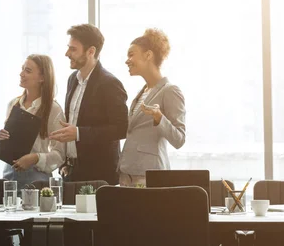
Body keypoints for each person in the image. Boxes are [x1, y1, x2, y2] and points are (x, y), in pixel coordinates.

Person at [49, 24, 128, 185]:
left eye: (73, 49)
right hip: (71, 172)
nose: (67, 54)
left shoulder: (110, 83)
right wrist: (65, 161)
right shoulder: (72, 80)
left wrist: (79, 133)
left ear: (91, 51)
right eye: (68, 48)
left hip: (99, 175)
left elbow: (121, 128)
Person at [118, 28, 186, 187]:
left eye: (131, 54)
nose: (127, 60)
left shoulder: (170, 91)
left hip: (149, 175)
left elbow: (179, 139)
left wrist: (159, 118)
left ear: (148, 55)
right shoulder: (142, 93)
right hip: (127, 175)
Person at [0, 54, 66, 189]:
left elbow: (60, 155)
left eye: (28, 71)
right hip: (9, 175)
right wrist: (1, 138)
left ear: (42, 78)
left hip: (37, 179)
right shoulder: (13, 104)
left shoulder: (54, 109)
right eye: (22, 69)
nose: (21, 74)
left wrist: (35, 158)